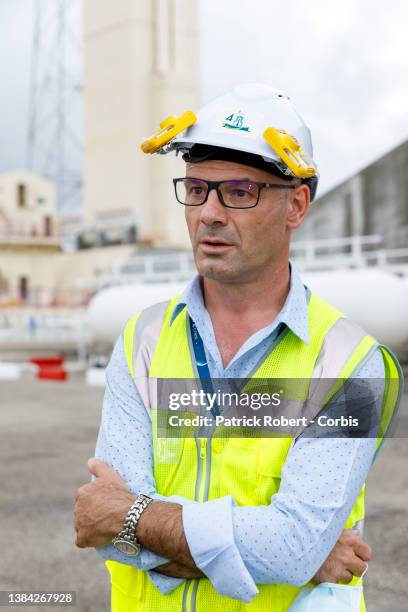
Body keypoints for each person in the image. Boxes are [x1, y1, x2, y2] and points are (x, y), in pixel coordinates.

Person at [74, 84, 403, 611]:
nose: (208, 213)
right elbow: (101, 526)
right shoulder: (142, 341)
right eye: (197, 189)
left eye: (239, 192)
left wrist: (135, 518)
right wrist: (289, 554)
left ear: (295, 205)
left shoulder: (352, 365)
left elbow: (292, 546)